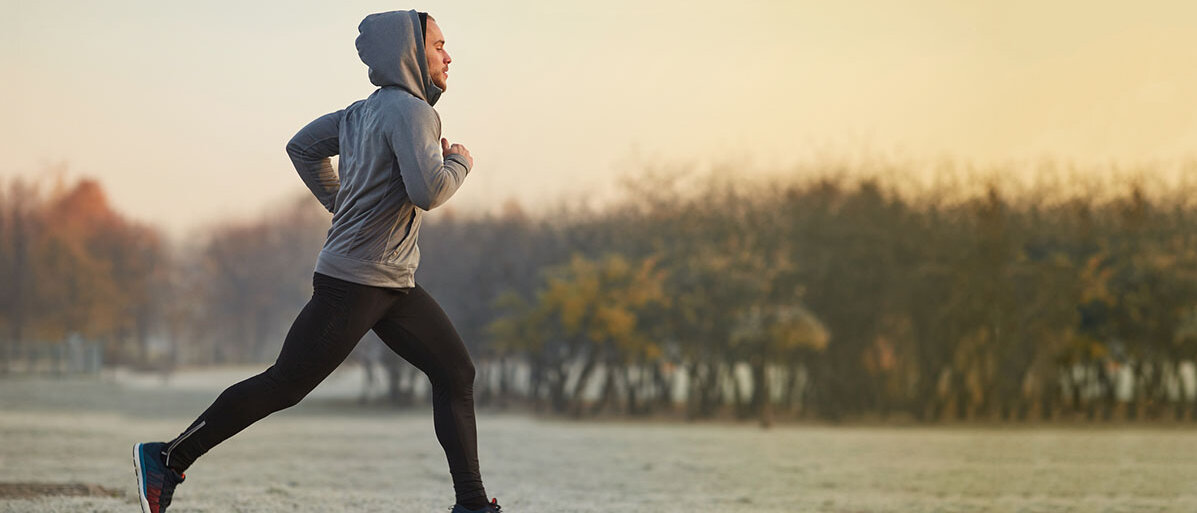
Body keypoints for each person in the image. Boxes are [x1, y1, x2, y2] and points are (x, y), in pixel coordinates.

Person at [133, 10, 501, 513]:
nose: (448, 56)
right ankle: (167, 458)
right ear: (412, 53)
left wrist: (342, 200)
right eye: (439, 46)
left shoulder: (361, 112)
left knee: (456, 372)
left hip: (392, 281)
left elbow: (302, 146)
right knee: (285, 383)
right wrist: (459, 161)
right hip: (355, 281)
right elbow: (429, 189)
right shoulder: (414, 113)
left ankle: (473, 504)